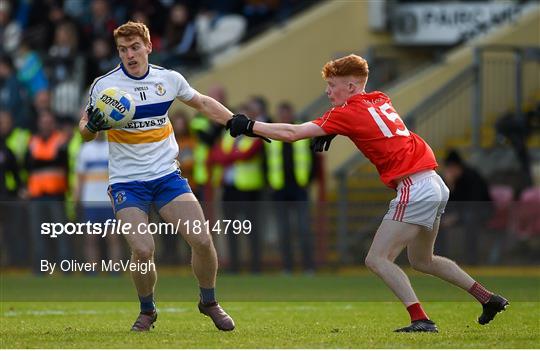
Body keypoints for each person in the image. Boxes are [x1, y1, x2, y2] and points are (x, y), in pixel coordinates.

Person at [227, 54, 509, 332]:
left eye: (333, 85)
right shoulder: (380, 98)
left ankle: (420, 319)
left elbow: (292, 133)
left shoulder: (346, 112)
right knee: (423, 261)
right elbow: (368, 124)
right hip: (433, 181)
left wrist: (250, 126)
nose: (327, 91)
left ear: (351, 87)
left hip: (414, 185)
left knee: (377, 259)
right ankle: (488, 298)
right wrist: (334, 130)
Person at [79, 21, 235, 332]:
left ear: (149, 46)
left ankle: (209, 301)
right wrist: (92, 127)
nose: (129, 55)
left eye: (135, 47)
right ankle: (148, 310)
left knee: (202, 240)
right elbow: (84, 128)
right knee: (144, 249)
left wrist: (236, 121)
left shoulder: (169, 79)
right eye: (123, 50)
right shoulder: (105, 87)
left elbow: (202, 102)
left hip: (166, 176)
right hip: (127, 183)